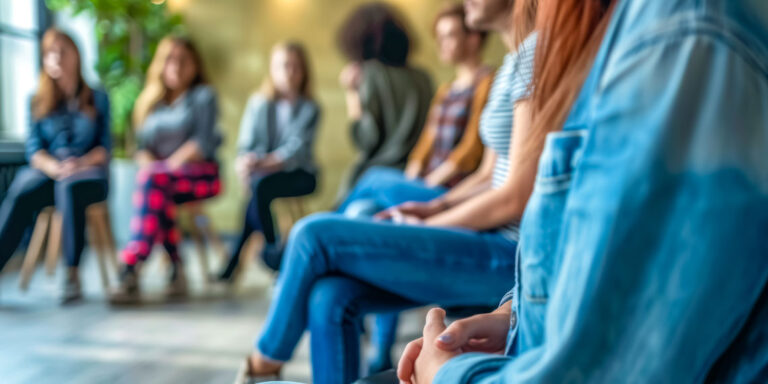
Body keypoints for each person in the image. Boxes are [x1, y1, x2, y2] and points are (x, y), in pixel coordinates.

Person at [396, 0, 768, 383]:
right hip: (532, 338)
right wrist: (514, 318)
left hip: (517, 291)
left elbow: (612, 368)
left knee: (332, 240)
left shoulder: (680, 32)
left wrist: (448, 375)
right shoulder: (630, 31)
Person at [233, 0, 540, 382]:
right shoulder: (513, 61)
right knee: (329, 295)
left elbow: (515, 196)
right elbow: (488, 172)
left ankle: (264, 362)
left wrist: (434, 220)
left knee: (314, 234)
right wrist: (434, 206)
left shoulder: (535, 55)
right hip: (483, 232)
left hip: (511, 253)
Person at [337, 3, 495, 374]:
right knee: (367, 214)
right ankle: (378, 352)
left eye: (449, 35)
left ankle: (324, 237)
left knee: (372, 179)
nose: (441, 43)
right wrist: (411, 178)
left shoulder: (488, 80)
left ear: (474, 38)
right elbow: (424, 146)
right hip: (422, 184)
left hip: (447, 192)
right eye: (438, 36)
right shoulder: (438, 86)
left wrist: (424, 187)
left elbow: (468, 153)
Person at [0, 28, 110, 304]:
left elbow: (104, 150)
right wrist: (56, 167)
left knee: (70, 186)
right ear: (44, 60)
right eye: (50, 52)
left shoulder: (97, 99)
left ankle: (72, 273)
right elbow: (34, 151)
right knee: (23, 187)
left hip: (89, 175)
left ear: (77, 55)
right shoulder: (37, 101)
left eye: (63, 51)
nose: (57, 58)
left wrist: (79, 164)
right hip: (51, 172)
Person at [110, 36, 222, 303]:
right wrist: (152, 165)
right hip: (161, 180)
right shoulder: (150, 103)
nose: (176, 66)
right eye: (170, 59)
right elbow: (142, 148)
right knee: (157, 188)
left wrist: (168, 165)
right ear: (160, 64)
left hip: (201, 175)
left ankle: (134, 262)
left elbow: (202, 143)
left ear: (196, 65)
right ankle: (176, 270)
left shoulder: (203, 96)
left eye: (184, 60)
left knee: (155, 182)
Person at [216, 42, 321, 281]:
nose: (290, 72)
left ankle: (262, 253)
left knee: (259, 188)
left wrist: (259, 165)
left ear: (304, 71)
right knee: (258, 187)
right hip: (262, 175)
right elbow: (246, 144)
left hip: (300, 175)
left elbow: (296, 152)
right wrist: (245, 165)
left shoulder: (310, 107)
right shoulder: (258, 103)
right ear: (272, 70)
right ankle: (273, 255)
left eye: (296, 66)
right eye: (284, 66)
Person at [335, 2, 434, 204]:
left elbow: (365, 139)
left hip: (376, 181)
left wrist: (352, 92)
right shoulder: (424, 78)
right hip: (416, 180)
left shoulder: (371, 74)